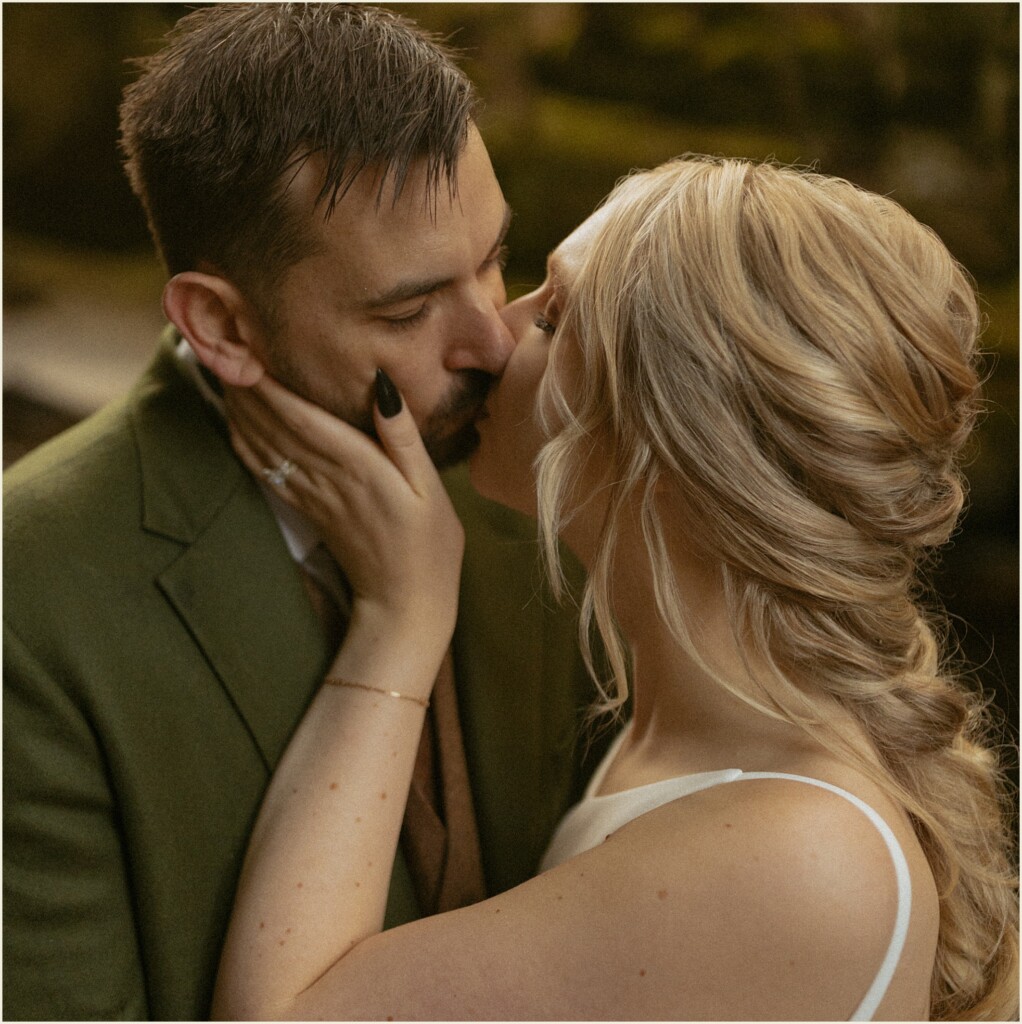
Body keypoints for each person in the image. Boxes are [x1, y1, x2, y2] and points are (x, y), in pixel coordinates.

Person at [212, 156, 1019, 1021]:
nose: (497, 335)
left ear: (679, 438)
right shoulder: (692, 730)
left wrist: (400, 618)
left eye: (552, 319)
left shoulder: (800, 853)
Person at [2, 6, 607, 1020]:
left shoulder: (540, 475)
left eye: (494, 260)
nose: (494, 345)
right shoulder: (28, 605)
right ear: (223, 326)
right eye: (407, 311)